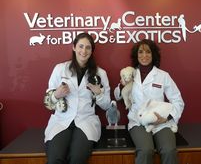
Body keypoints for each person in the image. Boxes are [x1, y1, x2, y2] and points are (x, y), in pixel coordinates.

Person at [43, 32, 111, 164]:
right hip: (61, 121)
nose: (83, 51)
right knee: (54, 159)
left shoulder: (100, 73)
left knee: (77, 159)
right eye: (80, 46)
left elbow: (107, 105)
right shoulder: (60, 69)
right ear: (74, 47)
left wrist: (99, 94)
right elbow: (48, 104)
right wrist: (56, 95)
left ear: (92, 51)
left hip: (86, 121)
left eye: (88, 47)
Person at [114, 39, 185, 164]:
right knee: (146, 150)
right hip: (138, 121)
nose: (144, 55)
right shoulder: (130, 74)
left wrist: (166, 118)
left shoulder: (163, 76)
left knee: (169, 150)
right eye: (140, 52)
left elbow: (178, 100)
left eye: (148, 52)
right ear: (136, 55)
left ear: (153, 55)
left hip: (160, 122)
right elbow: (118, 96)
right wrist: (121, 86)